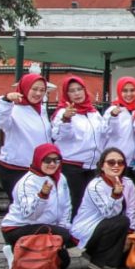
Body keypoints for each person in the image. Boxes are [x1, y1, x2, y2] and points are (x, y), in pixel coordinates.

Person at [0, 144, 74, 269]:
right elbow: (29, 214)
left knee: (64, 263)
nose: (52, 164)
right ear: (38, 159)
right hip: (18, 228)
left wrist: (63, 225)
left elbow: (66, 205)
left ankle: (43, 250)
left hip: (47, 226)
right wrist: (42, 196)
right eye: (47, 160)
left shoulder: (61, 178)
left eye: (56, 160)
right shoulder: (27, 182)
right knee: (66, 235)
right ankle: (14, 250)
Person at [51, 75, 106, 219]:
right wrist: (66, 119)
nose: (77, 93)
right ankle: (72, 237)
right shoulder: (63, 112)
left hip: (93, 166)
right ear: (66, 94)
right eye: (72, 91)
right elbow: (59, 135)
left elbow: (103, 134)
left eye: (79, 89)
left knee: (92, 203)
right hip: (73, 166)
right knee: (75, 203)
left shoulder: (93, 112)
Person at [71, 147, 134, 269]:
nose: (116, 166)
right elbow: (108, 213)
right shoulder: (95, 186)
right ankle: (99, 261)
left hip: (112, 227)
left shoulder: (128, 183)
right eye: (111, 162)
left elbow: (133, 208)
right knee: (121, 221)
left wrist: (130, 233)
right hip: (89, 228)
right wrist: (115, 195)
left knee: (128, 258)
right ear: (102, 166)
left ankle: (103, 257)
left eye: (120, 163)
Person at [0, 72, 52, 199]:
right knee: (21, 208)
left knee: (37, 207)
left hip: (38, 168)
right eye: (34, 89)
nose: (38, 93)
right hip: (16, 168)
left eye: (42, 90)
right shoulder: (13, 108)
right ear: (25, 88)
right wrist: (6, 101)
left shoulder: (42, 110)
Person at [102, 77, 135, 177]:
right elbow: (108, 132)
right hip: (116, 162)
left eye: (132, 90)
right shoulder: (113, 110)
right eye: (125, 91)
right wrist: (114, 117)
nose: (129, 94)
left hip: (134, 163)